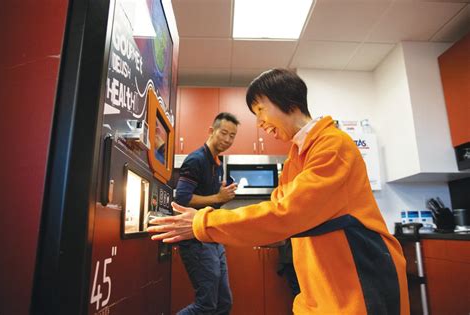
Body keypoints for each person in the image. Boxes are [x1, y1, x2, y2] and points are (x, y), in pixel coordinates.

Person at [148, 69, 409, 314]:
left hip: (359, 280)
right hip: (321, 288)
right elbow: (278, 211)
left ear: (289, 101)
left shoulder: (333, 145)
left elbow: (286, 213)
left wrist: (202, 222)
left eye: (261, 110)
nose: (260, 122)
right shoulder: (296, 157)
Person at [173, 112, 239, 315]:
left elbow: (211, 197)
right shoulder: (196, 160)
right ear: (211, 131)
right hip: (196, 239)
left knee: (224, 303)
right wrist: (218, 198)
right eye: (224, 133)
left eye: (232, 135)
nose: (228, 140)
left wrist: (222, 197)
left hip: (212, 236)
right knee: (206, 305)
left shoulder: (216, 163)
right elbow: (182, 199)